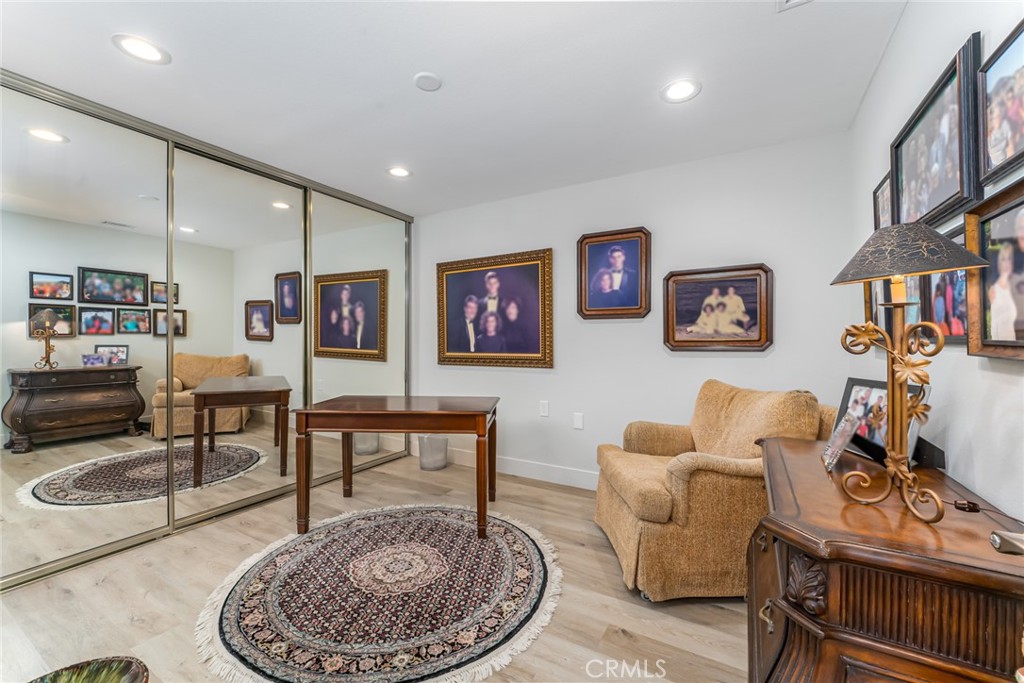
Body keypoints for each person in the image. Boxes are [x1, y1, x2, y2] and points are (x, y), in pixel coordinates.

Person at [989, 243, 1018, 341]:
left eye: (1009, 259)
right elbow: (994, 325)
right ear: (999, 263)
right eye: (1003, 259)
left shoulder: (1012, 287)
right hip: (1001, 344)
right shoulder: (994, 290)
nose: (1007, 263)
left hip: (1013, 343)